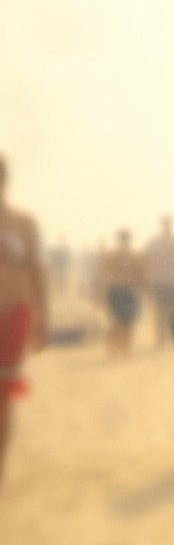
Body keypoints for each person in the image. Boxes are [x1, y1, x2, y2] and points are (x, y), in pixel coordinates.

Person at [0, 155, 49, 493]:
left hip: (12, 312)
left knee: (3, 397)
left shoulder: (23, 223)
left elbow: (37, 270)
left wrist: (42, 316)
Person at [101, 229, 146, 357]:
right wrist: (142, 289)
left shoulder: (111, 255)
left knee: (115, 319)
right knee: (128, 321)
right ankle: (125, 348)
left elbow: (104, 272)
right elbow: (141, 273)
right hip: (128, 288)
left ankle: (113, 348)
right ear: (129, 239)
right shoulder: (134, 255)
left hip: (113, 288)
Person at [145, 215, 174, 347]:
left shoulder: (156, 242)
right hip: (167, 280)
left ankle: (164, 337)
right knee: (168, 309)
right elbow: (148, 262)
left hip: (166, 280)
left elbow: (148, 261)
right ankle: (167, 336)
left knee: (164, 310)